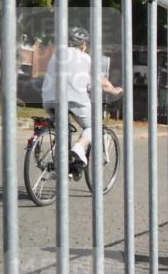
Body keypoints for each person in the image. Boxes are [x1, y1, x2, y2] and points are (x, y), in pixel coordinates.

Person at [41, 26, 123, 169]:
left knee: (63, 128)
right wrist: (115, 91)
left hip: (48, 99)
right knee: (94, 125)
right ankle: (79, 148)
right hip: (73, 98)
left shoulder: (56, 55)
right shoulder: (85, 58)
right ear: (83, 45)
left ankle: (63, 166)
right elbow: (103, 83)